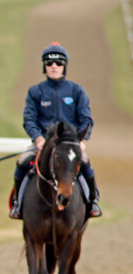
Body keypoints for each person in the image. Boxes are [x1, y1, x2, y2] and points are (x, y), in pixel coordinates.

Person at [9, 42, 101, 219]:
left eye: (58, 63)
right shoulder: (35, 92)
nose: (54, 67)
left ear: (64, 66)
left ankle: (93, 201)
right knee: (22, 162)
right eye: (49, 63)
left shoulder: (76, 91)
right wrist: (38, 139)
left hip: (70, 145)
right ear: (44, 66)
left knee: (86, 164)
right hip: (43, 143)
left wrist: (82, 141)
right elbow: (29, 119)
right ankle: (18, 205)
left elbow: (86, 119)